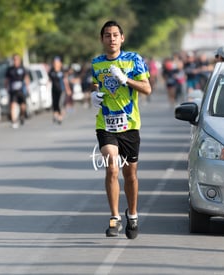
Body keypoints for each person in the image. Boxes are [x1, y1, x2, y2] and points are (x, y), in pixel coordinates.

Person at [91, 20, 151, 239]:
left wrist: (126, 80)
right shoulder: (97, 63)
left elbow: (147, 88)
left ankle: (132, 214)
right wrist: (94, 94)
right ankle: (114, 217)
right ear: (102, 39)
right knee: (112, 168)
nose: (112, 38)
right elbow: (96, 83)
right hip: (105, 124)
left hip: (130, 125)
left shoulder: (134, 60)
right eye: (107, 35)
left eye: (115, 35)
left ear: (122, 38)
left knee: (130, 174)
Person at [5, 54, 30, 129]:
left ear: (19, 60)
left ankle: (22, 116)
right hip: (13, 91)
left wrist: (27, 87)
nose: (15, 61)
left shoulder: (22, 69)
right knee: (12, 105)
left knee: (22, 106)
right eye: (14, 59)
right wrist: (6, 88)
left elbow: (26, 78)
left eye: (16, 59)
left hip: (21, 90)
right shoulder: (10, 69)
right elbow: (7, 80)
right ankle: (14, 121)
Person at [49, 56, 71, 124]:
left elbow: (65, 81)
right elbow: (49, 80)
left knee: (60, 104)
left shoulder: (62, 72)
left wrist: (68, 89)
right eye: (55, 63)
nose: (56, 64)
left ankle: (60, 117)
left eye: (57, 63)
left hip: (62, 90)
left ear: (60, 63)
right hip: (54, 90)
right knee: (55, 104)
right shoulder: (51, 72)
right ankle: (56, 115)